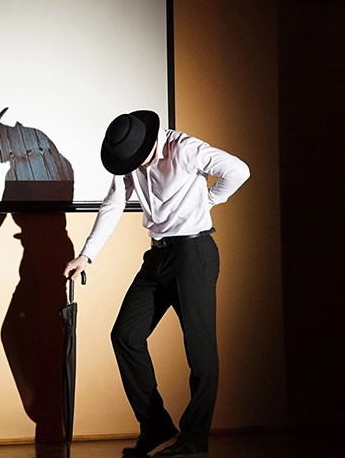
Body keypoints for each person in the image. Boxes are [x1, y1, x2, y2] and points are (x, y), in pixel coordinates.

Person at [63, 110, 250, 458]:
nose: (135, 166)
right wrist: (86, 255)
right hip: (158, 256)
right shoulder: (129, 160)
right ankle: (155, 426)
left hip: (193, 252)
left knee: (200, 352)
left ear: (150, 142)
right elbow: (114, 203)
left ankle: (194, 440)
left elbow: (239, 170)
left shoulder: (185, 149)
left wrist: (208, 200)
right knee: (125, 335)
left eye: (139, 159)